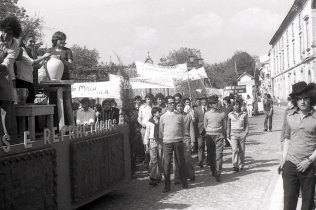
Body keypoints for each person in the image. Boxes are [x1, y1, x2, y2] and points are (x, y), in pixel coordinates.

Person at [280, 81, 316, 210]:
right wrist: (283, 160)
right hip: (290, 164)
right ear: (295, 100)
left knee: (307, 205)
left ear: (310, 98)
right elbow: (287, 138)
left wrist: (309, 160)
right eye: (299, 99)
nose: (303, 102)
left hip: (308, 165)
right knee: (289, 203)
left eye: (305, 98)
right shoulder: (290, 115)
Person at [159, 96, 188, 193]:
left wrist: (180, 138)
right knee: (166, 164)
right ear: (166, 104)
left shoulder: (179, 115)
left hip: (178, 141)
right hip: (167, 143)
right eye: (170, 103)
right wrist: (167, 138)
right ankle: (167, 186)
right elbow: (161, 131)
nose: (172, 105)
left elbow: (183, 129)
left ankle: (184, 182)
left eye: (173, 103)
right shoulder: (162, 117)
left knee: (180, 162)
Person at [0, 16, 21, 143]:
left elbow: (5, 65)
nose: (6, 35)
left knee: (8, 110)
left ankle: (13, 144)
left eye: (10, 33)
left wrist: (3, 56)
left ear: (14, 34)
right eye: (5, 31)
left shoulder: (15, 47)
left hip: (4, 76)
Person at [15, 33, 51, 103]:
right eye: (30, 41)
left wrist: (44, 60)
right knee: (24, 104)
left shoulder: (30, 53)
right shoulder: (21, 50)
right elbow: (33, 62)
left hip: (29, 82)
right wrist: (43, 56)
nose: (33, 43)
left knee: (31, 102)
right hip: (22, 81)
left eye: (34, 42)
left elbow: (36, 66)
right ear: (24, 42)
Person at [204, 95, 226, 182]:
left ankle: (218, 172)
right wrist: (209, 132)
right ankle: (213, 170)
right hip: (209, 136)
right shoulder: (207, 114)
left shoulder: (222, 114)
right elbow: (205, 126)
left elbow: (224, 126)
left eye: (216, 102)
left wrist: (223, 135)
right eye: (214, 103)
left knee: (219, 155)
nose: (216, 104)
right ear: (210, 105)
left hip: (219, 136)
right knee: (210, 155)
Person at [174, 101, 196, 183]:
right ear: (176, 107)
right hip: (176, 139)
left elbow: (191, 129)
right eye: (178, 106)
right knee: (177, 159)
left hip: (186, 139)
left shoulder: (188, 116)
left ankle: (191, 174)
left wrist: (193, 141)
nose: (180, 107)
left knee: (188, 158)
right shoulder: (173, 116)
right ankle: (177, 177)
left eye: (181, 106)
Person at [227, 99, 248, 172]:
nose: (236, 106)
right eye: (234, 105)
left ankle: (241, 164)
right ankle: (235, 165)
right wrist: (228, 133)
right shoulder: (230, 114)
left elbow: (246, 124)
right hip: (233, 134)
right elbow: (228, 124)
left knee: (242, 150)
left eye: (237, 104)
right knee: (235, 149)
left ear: (240, 105)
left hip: (242, 134)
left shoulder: (244, 114)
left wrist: (245, 133)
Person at [144, 107, 163, 186]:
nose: (160, 113)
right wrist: (146, 144)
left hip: (160, 141)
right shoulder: (149, 122)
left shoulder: (161, 121)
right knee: (154, 160)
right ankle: (153, 178)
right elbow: (147, 133)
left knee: (160, 159)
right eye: (158, 112)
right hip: (152, 141)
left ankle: (159, 176)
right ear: (154, 113)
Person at [137, 93, 154, 167]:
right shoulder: (142, 108)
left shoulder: (154, 108)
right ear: (146, 99)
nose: (149, 101)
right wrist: (141, 124)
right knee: (145, 145)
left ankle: (153, 162)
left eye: (150, 99)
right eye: (148, 99)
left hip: (152, 129)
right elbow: (139, 118)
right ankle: (147, 161)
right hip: (144, 128)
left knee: (153, 145)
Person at [129, 95, 143, 171]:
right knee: (134, 147)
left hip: (140, 128)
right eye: (136, 100)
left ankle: (142, 159)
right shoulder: (132, 110)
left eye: (139, 100)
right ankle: (134, 164)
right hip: (133, 130)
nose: (137, 102)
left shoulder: (143, 108)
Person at [195, 97, 208, 168]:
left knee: (209, 145)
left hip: (209, 130)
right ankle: (200, 161)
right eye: (203, 100)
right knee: (200, 145)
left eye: (205, 100)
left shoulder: (209, 108)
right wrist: (196, 131)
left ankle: (209, 160)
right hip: (200, 130)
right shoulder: (197, 109)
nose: (204, 101)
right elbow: (195, 121)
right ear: (201, 101)